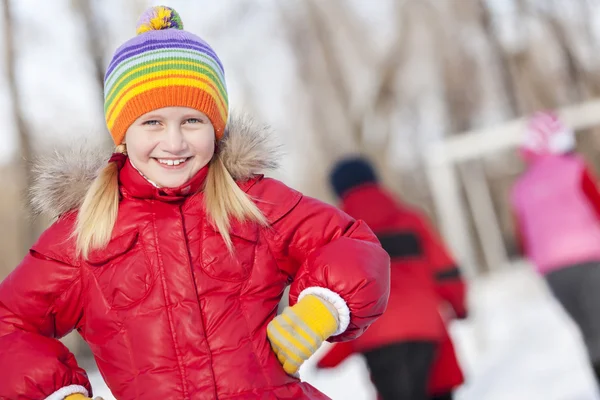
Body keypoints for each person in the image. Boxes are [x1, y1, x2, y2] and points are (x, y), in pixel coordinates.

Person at [0, 7, 390, 400]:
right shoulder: (84, 234)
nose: (174, 142)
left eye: (192, 121)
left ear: (215, 128)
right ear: (122, 132)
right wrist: (60, 393)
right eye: (152, 122)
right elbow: (9, 324)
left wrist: (320, 308)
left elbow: (350, 244)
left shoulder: (252, 202)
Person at [316, 158, 467, 400]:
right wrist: (460, 308)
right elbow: (447, 272)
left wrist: (329, 357)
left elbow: (338, 304)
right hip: (425, 327)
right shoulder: (411, 220)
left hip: (375, 337)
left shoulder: (338, 234)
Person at [511, 111, 600, 384]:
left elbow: (524, 238)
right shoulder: (574, 167)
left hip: (554, 272)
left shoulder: (520, 188)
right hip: (590, 259)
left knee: (589, 330)